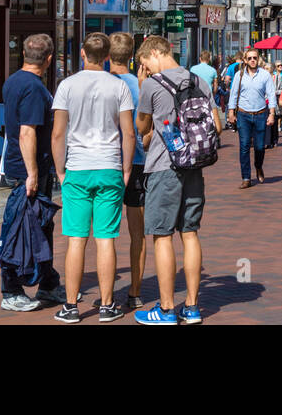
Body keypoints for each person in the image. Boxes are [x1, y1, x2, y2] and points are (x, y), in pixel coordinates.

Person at [134, 36, 221, 325]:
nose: (145, 68)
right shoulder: (199, 81)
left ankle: (167, 309)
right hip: (195, 166)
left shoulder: (151, 85)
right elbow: (217, 126)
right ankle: (193, 307)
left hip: (164, 167)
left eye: (145, 63)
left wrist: (141, 85)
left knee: (161, 235)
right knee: (190, 232)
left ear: (156, 53)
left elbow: (142, 126)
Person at [50, 32, 135, 323]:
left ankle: (71, 306)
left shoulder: (67, 86)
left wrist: (61, 170)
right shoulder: (119, 86)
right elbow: (129, 133)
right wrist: (125, 169)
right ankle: (107, 305)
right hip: (109, 165)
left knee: (76, 239)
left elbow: (58, 133)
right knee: (106, 238)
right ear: (109, 56)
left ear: (83, 54)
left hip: (78, 167)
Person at [0, 33, 62, 311]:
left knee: (40, 225)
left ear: (24, 54)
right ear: (48, 59)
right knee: (20, 227)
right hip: (27, 168)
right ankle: (11, 290)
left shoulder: (13, 81)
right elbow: (27, 132)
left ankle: (48, 283)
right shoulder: (34, 88)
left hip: (23, 165)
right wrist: (32, 173)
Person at [109, 32, 148, 311]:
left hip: (108, 162)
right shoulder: (141, 85)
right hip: (138, 163)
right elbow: (149, 130)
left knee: (105, 232)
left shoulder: (102, 83)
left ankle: (106, 292)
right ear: (132, 56)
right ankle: (134, 291)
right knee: (138, 233)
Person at [227, 49, 277, 187]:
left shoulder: (265, 75)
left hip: (261, 114)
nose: (252, 60)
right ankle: (246, 178)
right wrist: (231, 112)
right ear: (245, 60)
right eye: (249, 58)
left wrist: (272, 113)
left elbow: (271, 95)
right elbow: (233, 95)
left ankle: (258, 166)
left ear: (258, 59)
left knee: (260, 147)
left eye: (254, 58)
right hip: (243, 115)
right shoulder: (239, 75)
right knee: (244, 146)